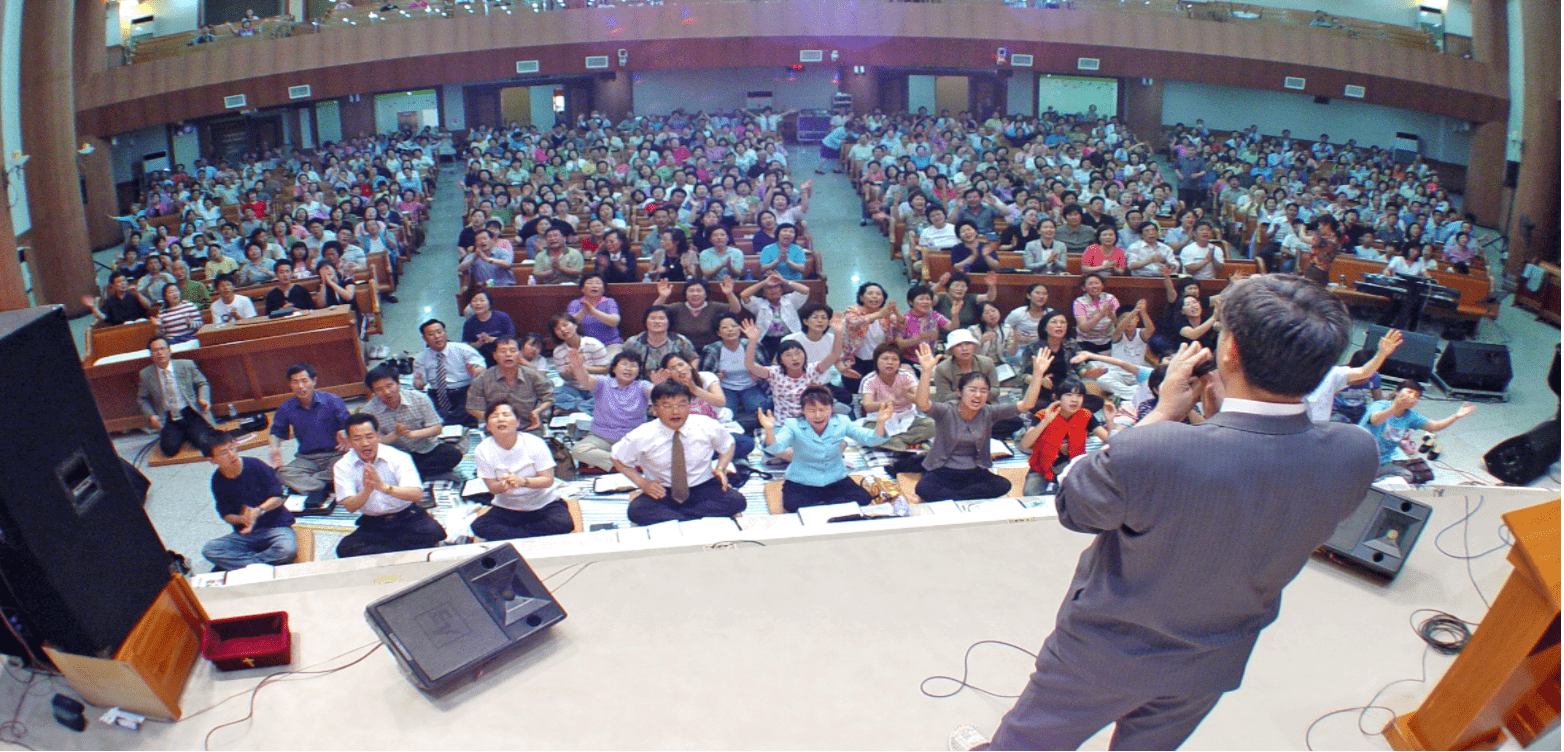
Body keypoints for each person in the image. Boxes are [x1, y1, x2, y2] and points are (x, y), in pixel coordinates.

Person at [960, 274, 1380, 752]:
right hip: (1216, 659)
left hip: (1104, 652)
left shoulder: (1155, 447)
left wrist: (1159, 415)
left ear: (1229, 351)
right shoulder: (1356, 450)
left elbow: (1075, 506)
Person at [911, 343, 1050, 502]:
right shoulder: (946, 411)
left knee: (1003, 485)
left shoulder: (989, 412)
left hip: (974, 472)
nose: (978, 395)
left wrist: (1038, 374)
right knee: (923, 488)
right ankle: (961, 497)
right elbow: (922, 403)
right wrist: (927, 371)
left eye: (983, 391)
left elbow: (1027, 405)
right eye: (972, 390)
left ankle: (955, 497)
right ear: (959, 392)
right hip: (943, 471)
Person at [611, 381, 747, 526]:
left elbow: (728, 445)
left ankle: (678, 519)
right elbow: (617, 458)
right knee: (636, 511)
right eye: (667, 406)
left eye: (681, 405)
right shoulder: (642, 434)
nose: (675, 412)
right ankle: (694, 519)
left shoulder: (706, 425)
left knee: (737, 501)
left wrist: (721, 468)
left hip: (703, 486)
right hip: (663, 491)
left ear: (690, 406)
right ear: (655, 409)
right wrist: (643, 483)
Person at [760, 386, 893, 512]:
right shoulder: (793, 424)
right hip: (802, 481)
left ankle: (823, 506)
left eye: (823, 409)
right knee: (792, 505)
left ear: (831, 409)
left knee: (863, 498)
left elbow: (871, 439)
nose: (818, 415)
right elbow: (775, 447)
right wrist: (769, 430)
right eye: (812, 411)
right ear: (803, 411)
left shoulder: (842, 421)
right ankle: (831, 505)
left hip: (835, 479)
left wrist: (880, 423)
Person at [333, 414, 447, 558]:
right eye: (357, 438)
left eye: (369, 436)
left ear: (378, 436)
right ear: (349, 441)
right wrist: (366, 491)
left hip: (406, 516)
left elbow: (416, 494)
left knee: (434, 533)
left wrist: (383, 487)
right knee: (345, 549)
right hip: (373, 524)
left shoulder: (399, 457)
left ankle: (390, 551)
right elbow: (350, 506)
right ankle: (406, 549)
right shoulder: (342, 466)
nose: (365, 443)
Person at [470, 403, 574, 541]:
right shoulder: (482, 450)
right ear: (488, 426)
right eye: (494, 416)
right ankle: (530, 534)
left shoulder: (535, 443)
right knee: (479, 526)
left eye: (506, 415)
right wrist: (502, 486)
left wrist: (522, 482)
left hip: (543, 502)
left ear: (517, 422)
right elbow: (492, 488)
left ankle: (514, 535)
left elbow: (548, 480)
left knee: (563, 524)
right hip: (508, 507)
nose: (501, 419)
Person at [200, 431, 297, 571]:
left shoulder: (255, 465)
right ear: (211, 460)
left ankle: (246, 564)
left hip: (275, 526)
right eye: (223, 453)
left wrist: (258, 510)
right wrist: (242, 519)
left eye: (232, 448)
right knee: (209, 549)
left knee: (287, 550)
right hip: (246, 535)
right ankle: (260, 563)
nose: (231, 454)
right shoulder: (217, 481)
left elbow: (278, 497)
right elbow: (226, 515)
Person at [1360, 381, 1476, 481]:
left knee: (1408, 476)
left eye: (1416, 396)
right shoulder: (1379, 405)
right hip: (1360, 455)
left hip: (1382, 461)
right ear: (1397, 392)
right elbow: (1375, 420)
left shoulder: (1411, 416)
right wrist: (1396, 407)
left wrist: (1456, 416)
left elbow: (1434, 426)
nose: (1412, 397)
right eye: (1409, 392)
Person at [361, 366, 463, 479]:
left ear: (398, 384)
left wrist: (411, 434)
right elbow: (374, 443)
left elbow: (436, 428)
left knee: (453, 454)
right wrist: (396, 435)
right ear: (373, 392)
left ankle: (411, 475)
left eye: (389, 386)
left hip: (425, 449)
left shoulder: (419, 398)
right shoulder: (369, 411)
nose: (386, 392)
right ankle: (422, 474)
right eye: (379, 389)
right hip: (397, 455)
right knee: (375, 466)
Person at [1018, 379, 1116, 496]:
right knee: (1030, 496)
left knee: (1088, 496)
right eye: (1069, 395)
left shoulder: (1085, 415)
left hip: (1073, 467)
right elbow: (1024, 444)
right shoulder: (1044, 414)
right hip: (1042, 468)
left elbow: (1110, 442)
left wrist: (1110, 421)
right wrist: (1045, 421)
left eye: (1079, 396)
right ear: (1057, 398)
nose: (1074, 400)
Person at [269, 364, 350, 496]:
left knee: (348, 467)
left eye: (304, 381)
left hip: (335, 454)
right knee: (281, 474)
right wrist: (274, 448)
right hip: (307, 458)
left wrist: (344, 431)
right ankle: (324, 486)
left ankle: (309, 485)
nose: (301, 386)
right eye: (295, 382)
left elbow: (349, 424)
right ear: (290, 384)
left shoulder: (333, 400)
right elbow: (276, 432)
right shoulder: (286, 408)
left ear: (314, 381)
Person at [566, 350, 653, 471]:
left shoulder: (642, 385)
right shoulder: (603, 383)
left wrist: (659, 385)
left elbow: (655, 394)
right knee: (578, 451)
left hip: (632, 439)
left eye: (633, 366)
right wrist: (578, 366)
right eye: (624, 364)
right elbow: (585, 380)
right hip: (602, 437)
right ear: (614, 369)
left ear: (638, 371)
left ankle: (617, 463)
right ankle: (625, 464)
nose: (628, 368)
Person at [137, 336, 222, 457]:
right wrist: (151, 415)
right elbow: (142, 398)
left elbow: (202, 383)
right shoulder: (146, 374)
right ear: (151, 355)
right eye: (155, 350)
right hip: (169, 416)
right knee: (168, 449)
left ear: (169, 350)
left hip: (190, 411)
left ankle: (190, 431)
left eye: (162, 348)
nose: (160, 353)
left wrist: (203, 398)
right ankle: (183, 433)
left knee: (202, 442)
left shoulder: (186, 365)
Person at [1303, 329, 1402, 423]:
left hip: (1357, 412)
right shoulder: (1335, 374)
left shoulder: (1372, 377)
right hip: (1337, 411)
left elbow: (1377, 398)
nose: (1363, 380)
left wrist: (1382, 353)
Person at [465, 336, 554, 436]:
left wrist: (537, 411)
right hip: (497, 430)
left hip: (530, 427)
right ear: (495, 355)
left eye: (512, 351)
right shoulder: (483, 378)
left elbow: (549, 397)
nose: (508, 355)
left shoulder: (532, 375)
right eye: (502, 351)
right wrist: (492, 418)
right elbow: (472, 407)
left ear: (519, 354)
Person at [858, 343, 937, 452]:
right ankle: (901, 442)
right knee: (868, 431)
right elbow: (868, 406)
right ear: (876, 361)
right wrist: (891, 400)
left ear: (900, 363)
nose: (890, 362)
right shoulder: (869, 379)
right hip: (880, 420)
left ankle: (895, 442)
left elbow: (921, 401)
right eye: (885, 359)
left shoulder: (906, 375)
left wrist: (906, 395)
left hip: (906, 417)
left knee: (932, 425)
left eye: (895, 359)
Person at [702, 311, 769, 433]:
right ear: (718, 333)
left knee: (759, 409)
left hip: (750, 386)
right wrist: (716, 377)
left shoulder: (752, 345)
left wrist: (758, 375)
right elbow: (704, 376)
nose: (730, 330)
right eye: (725, 327)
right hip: (726, 388)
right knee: (724, 412)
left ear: (740, 329)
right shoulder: (712, 350)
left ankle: (751, 432)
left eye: (733, 326)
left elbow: (767, 369)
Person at [413, 319, 486, 425]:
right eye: (431, 334)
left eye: (439, 332)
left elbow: (482, 367)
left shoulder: (463, 349)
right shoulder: (421, 358)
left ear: (445, 333)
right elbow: (419, 384)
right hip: (437, 394)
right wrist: (418, 383)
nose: (437, 336)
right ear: (424, 338)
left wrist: (475, 371)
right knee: (437, 423)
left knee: (466, 421)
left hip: (464, 391)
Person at [549, 313, 610, 414]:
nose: (563, 330)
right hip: (574, 389)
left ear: (575, 325)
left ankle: (573, 409)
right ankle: (585, 407)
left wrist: (580, 367)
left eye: (565, 325)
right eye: (558, 329)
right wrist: (569, 373)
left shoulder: (593, 344)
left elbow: (605, 369)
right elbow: (564, 377)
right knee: (553, 393)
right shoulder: (558, 351)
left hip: (595, 386)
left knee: (609, 394)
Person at [624, 305, 697, 368]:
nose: (657, 321)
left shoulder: (680, 341)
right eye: (653, 318)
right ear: (646, 321)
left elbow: (694, 359)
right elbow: (621, 361)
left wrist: (690, 373)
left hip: (674, 382)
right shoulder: (633, 342)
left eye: (661, 318)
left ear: (669, 322)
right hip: (642, 382)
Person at [566, 274, 624, 349]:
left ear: (603, 289)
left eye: (598, 283)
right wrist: (583, 311)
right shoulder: (575, 303)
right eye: (589, 283)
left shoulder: (610, 302)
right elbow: (569, 324)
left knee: (612, 360)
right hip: (582, 345)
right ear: (582, 289)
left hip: (610, 344)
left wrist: (593, 311)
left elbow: (614, 322)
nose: (594, 286)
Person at [462, 290, 516, 366]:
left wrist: (490, 339)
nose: (478, 303)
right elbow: (467, 346)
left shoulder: (502, 317)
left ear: (489, 303)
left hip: (503, 355)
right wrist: (479, 343)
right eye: (474, 301)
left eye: (482, 300)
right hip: (482, 359)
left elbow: (511, 338)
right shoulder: (469, 324)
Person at [1071, 273, 1121, 354]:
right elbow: (1083, 328)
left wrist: (1112, 315)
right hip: (1086, 342)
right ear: (1083, 288)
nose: (1094, 286)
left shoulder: (1110, 298)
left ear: (1102, 286)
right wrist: (1101, 313)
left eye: (1097, 283)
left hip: (1108, 340)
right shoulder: (1079, 302)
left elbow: (1119, 324)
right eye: (1090, 284)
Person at [82, 271, 151, 325]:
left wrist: (138, 294)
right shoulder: (109, 301)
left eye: (124, 281)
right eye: (119, 282)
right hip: (122, 330)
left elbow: (148, 306)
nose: (122, 283)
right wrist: (93, 307)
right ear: (113, 286)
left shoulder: (134, 295)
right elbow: (103, 317)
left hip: (140, 324)